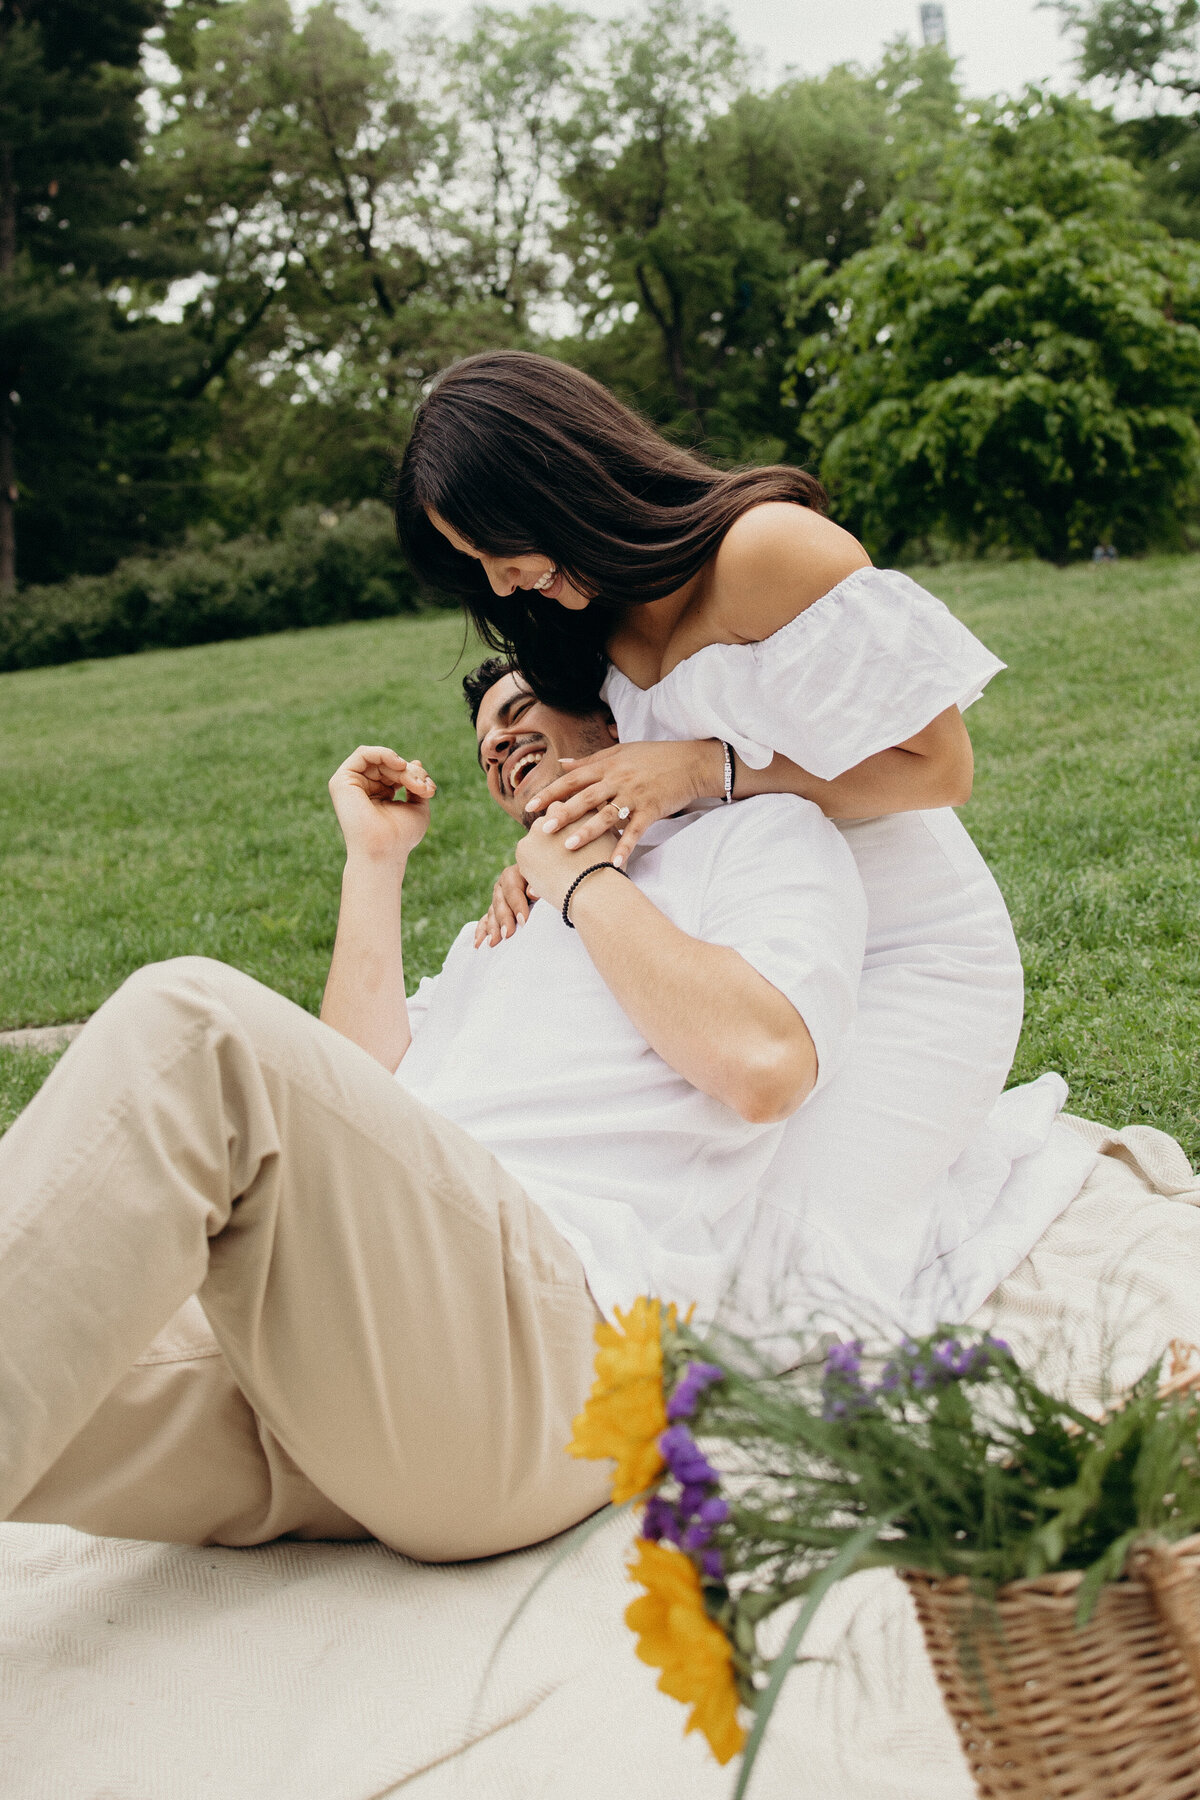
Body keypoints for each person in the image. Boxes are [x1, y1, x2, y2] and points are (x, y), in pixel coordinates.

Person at [0, 665, 866, 1558]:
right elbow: (351, 1088)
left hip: (549, 1354)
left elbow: (766, 1066)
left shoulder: (754, 839)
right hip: (367, 1399)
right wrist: (375, 862)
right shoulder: (495, 935)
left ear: (615, 722)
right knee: (58, 1355)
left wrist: (584, 883)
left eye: (524, 709)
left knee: (193, 1030)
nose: (497, 739)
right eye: (487, 735)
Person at [393, 350, 1030, 1322]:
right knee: (691, 1269)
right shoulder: (582, 625)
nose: (501, 580)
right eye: (474, 564)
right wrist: (554, 856)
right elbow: (631, 783)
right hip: (754, 956)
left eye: (493, 545)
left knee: (793, 1290)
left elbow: (939, 771)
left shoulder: (765, 553)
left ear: (553, 481)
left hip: (905, 957)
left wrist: (707, 764)